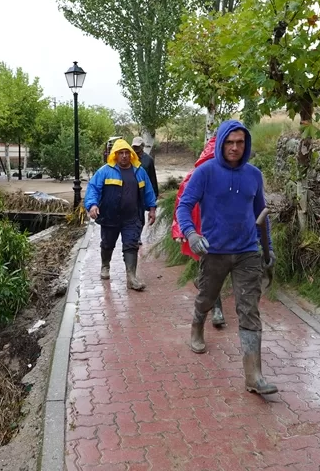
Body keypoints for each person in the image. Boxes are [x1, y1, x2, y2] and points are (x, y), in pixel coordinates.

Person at [175, 119, 276, 395]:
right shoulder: (205, 172)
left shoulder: (254, 175)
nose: (234, 147)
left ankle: (254, 376)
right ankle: (197, 326)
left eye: (240, 142)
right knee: (207, 297)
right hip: (214, 251)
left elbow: (261, 214)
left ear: (246, 144)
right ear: (220, 143)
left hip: (247, 252)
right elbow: (184, 206)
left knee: (249, 310)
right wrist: (191, 234)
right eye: (229, 142)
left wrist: (268, 249)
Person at [85, 138, 157, 290]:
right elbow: (93, 189)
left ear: (131, 154)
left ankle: (131, 277)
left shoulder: (139, 171)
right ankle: (105, 265)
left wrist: (152, 209)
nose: (124, 156)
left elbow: (149, 191)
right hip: (110, 216)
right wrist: (92, 205)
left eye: (126, 153)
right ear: (115, 155)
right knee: (107, 243)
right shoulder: (105, 171)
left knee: (131, 245)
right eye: (120, 153)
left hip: (132, 217)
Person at [171, 134, 227, 328]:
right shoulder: (196, 176)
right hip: (202, 232)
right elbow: (182, 204)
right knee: (213, 270)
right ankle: (216, 310)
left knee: (218, 270)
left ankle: (202, 283)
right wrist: (182, 231)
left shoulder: (234, 175)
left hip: (226, 232)